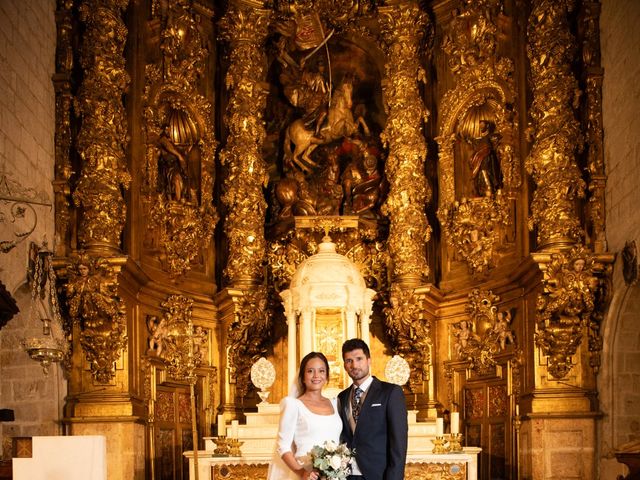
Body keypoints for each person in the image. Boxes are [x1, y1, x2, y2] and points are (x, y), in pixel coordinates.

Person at [338, 339, 408, 480]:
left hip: (378, 475)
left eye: (359, 359)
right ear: (344, 365)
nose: (354, 365)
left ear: (369, 360)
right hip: (347, 475)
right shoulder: (342, 396)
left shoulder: (391, 392)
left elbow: (399, 444)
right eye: (349, 360)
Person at [267, 352, 343, 480]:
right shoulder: (293, 404)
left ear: (327, 375)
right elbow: (283, 446)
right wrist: (301, 472)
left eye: (321, 371)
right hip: (307, 475)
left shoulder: (336, 403)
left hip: (334, 476)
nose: (316, 376)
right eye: (310, 371)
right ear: (302, 376)